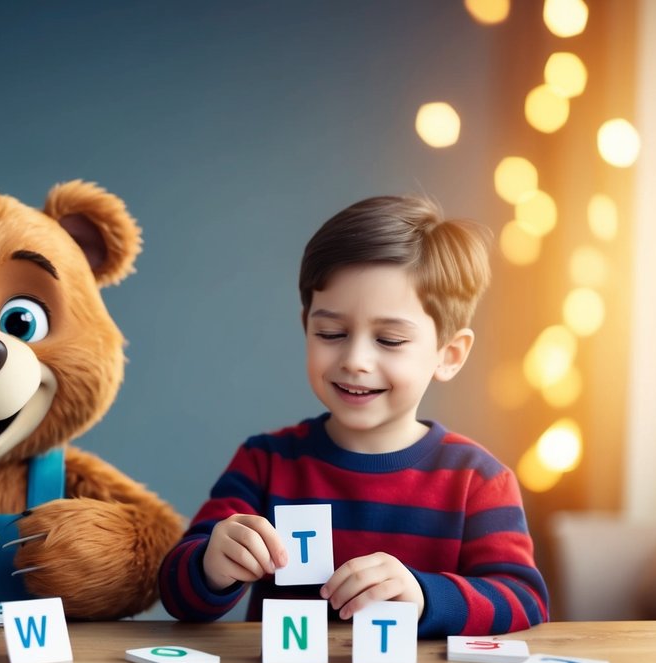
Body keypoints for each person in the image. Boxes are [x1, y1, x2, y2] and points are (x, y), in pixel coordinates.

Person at [158, 195, 548, 636]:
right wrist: (211, 564)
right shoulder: (264, 462)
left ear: (449, 354)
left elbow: (524, 601)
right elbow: (177, 593)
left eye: (390, 340)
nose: (356, 359)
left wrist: (423, 596)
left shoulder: (477, 480)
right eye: (332, 333)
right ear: (307, 326)